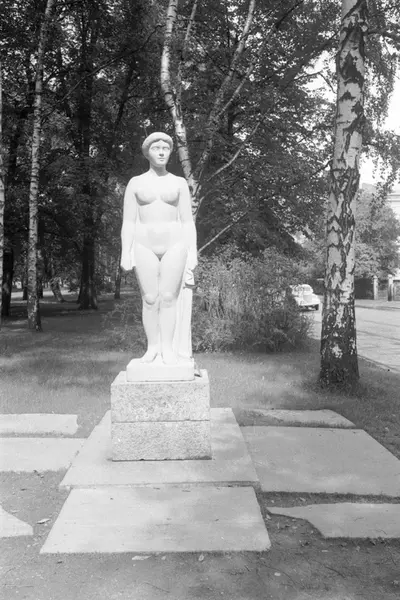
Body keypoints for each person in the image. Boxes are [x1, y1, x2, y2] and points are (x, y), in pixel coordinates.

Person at [120, 132, 197, 365]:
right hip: (144, 245)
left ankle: (168, 350)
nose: (162, 152)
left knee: (169, 297)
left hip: (175, 244)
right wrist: (125, 252)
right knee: (150, 298)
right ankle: (152, 348)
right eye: (156, 148)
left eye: (166, 148)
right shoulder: (136, 183)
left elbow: (187, 221)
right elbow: (128, 221)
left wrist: (192, 252)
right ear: (147, 153)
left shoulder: (179, 183)